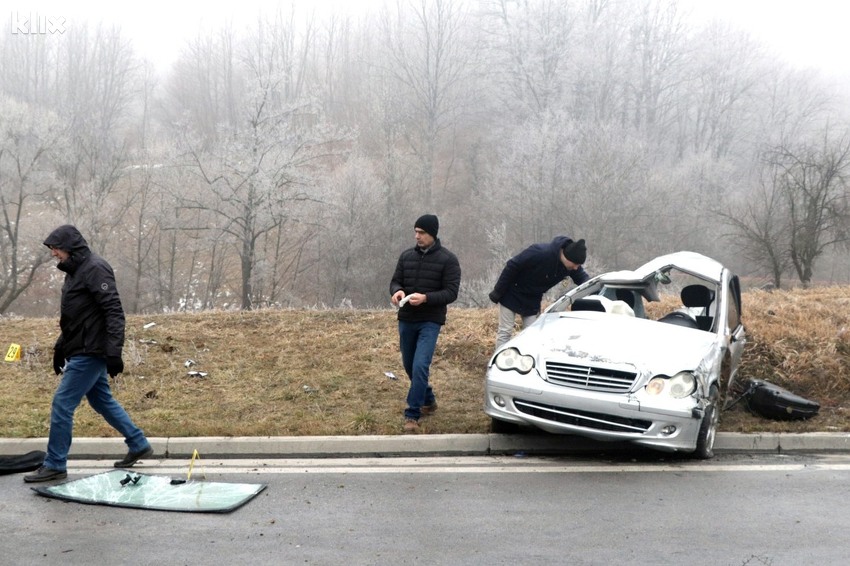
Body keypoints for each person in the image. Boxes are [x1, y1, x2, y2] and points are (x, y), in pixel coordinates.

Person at [24, 225, 153, 482]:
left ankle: (55, 464)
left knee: (62, 404)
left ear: (69, 247)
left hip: (92, 350)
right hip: (82, 346)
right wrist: (61, 347)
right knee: (101, 400)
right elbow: (77, 316)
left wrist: (114, 352)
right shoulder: (75, 272)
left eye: (56, 249)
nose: (54, 254)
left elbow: (114, 311)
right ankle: (138, 443)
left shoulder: (95, 268)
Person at [390, 214, 461, 433]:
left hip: (430, 321)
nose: (417, 236)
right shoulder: (406, 257)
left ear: (433, 234)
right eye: (416, 232)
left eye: (422, 233)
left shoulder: (448, 260)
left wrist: (426, 298)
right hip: (406, 319)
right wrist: (397, 292)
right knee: (410, 366)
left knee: (421, 365)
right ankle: (428, 399)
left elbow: (451, 292)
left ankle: (412, 414)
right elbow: (395, 281)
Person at [489, 237, 589, 349]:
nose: (576, 268)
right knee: (505, 331)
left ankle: (525, 362)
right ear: (567, 257)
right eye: (575, 264)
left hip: (532, 299)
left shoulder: (570, 267)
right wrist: (498, 291)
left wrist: (595, 292)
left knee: (532, 334)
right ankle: (498, 362)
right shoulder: (540, 252)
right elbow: (512, 265)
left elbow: (584, 280)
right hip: (512, 293)